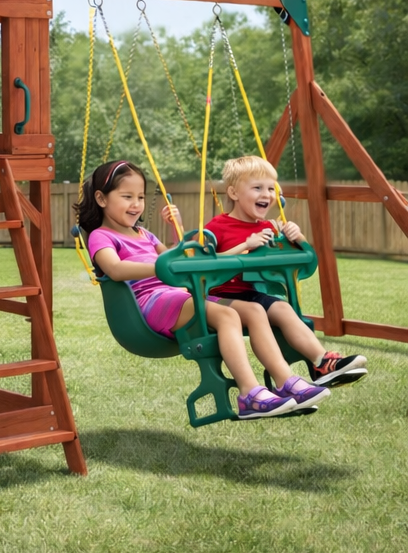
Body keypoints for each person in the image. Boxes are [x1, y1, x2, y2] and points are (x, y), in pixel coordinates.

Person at [76, 159, 330, 420]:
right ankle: (249, 394)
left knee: (254, 309)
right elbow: (115, 269)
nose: (136, 204)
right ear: (102, 198)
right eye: (127, 196)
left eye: (140, 197)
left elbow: (180, 260)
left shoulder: (146, 235)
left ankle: (284, 381)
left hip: (179, 295)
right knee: (228, 315)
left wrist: (177, 233)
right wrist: (161, 268)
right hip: (150, 302)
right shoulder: (101, 236)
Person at [205, 155, 367, 388]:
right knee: (260, 308)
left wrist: (296, 237)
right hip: (222, 297)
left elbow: (302, 261)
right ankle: (284, 378)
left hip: (254, 292)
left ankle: (321, 363)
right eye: (257, 188)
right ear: (233, 193)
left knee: (282, 307)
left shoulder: (271, 227)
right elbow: (207, 262)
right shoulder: (217, 226)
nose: (267, 194)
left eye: (271, 188)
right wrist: (244, 247)